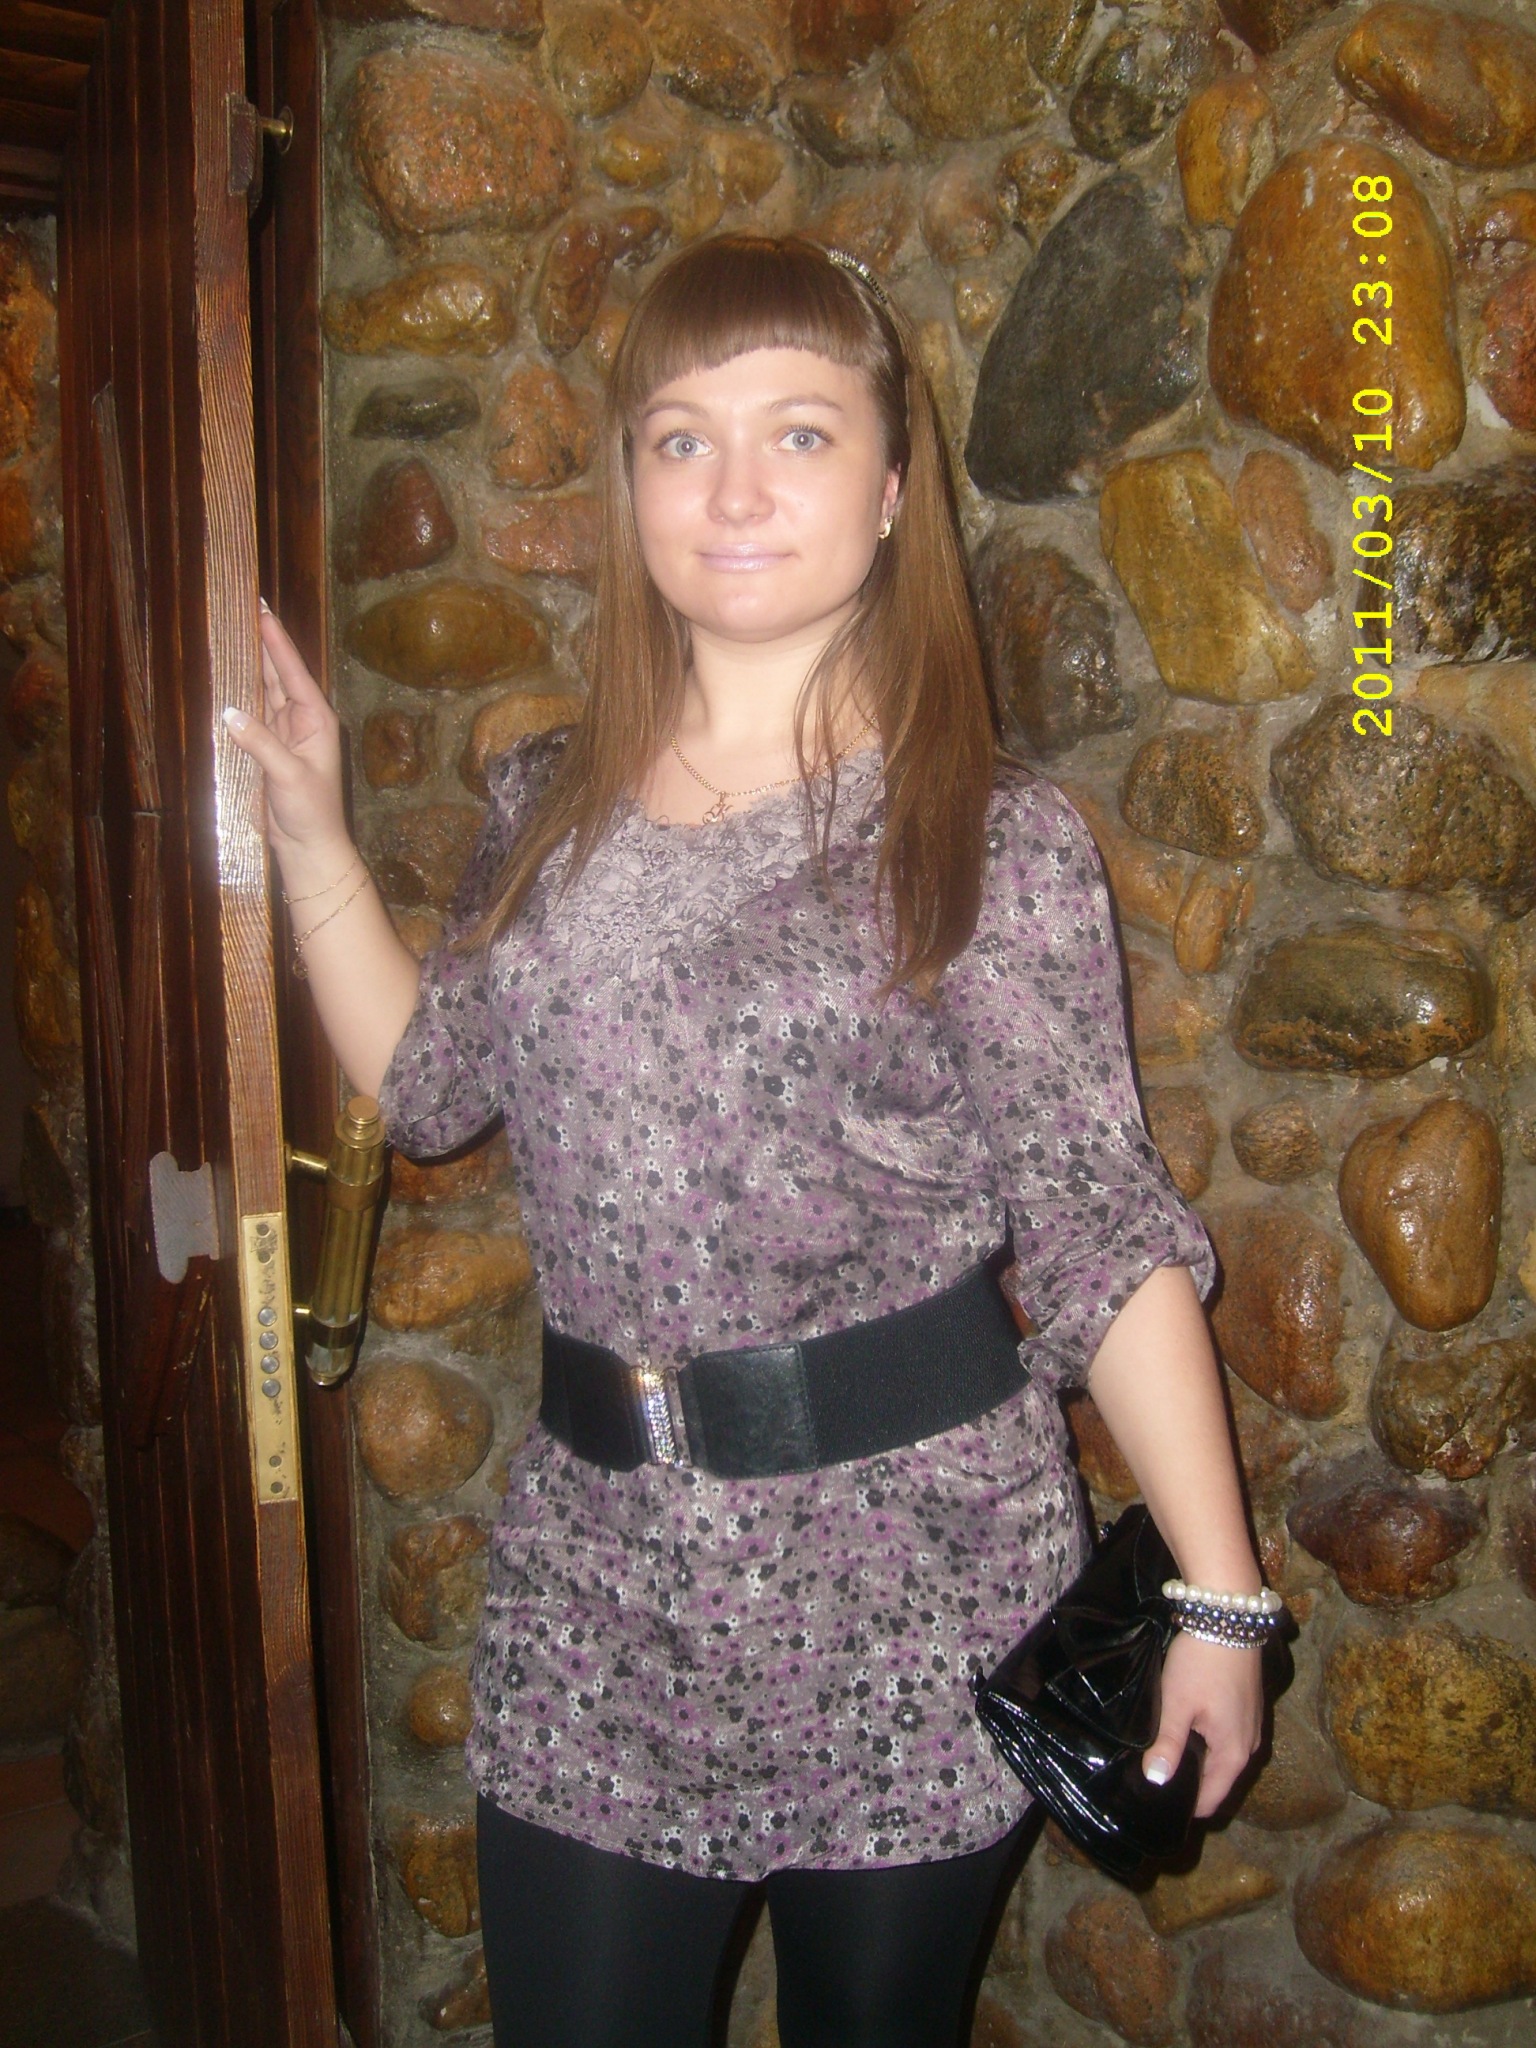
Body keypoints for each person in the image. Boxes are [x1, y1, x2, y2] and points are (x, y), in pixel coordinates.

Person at [226, 234, 1271, 2048]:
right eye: (680, 438)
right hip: (601, 1583)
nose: (730, 490)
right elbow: (435, 1085)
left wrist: (1223, 1601)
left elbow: (1101, 1232)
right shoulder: (546, 809)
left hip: (913, 1578)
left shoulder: (983, 840)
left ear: (890, 488)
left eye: (798, 432)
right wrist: (313, 833)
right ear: (631, 481)